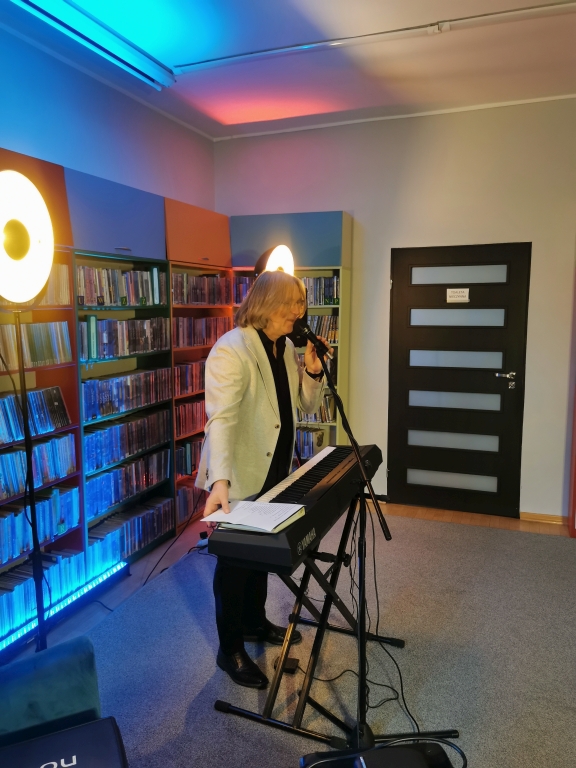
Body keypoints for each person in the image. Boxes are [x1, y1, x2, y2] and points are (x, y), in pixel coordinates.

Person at [196, 270, 331, 689]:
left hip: (275, 472)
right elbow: (221, 420)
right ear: (267, 303)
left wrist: (312, 371)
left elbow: (303, 408)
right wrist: (220, 481)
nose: (299, 312)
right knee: (234, 566)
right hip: (238, 476)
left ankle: (254, 623)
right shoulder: (231, 349)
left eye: (301, 304)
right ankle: (230, 649)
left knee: (258, 558)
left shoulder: (283, 348)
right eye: (292, 304)